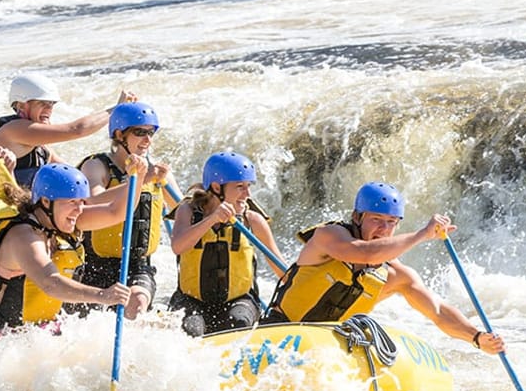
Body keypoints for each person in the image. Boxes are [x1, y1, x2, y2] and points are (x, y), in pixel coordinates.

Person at [263, 181, 505, 355]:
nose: (383, 229)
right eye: (376, 220)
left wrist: (476, 338)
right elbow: (364, 254)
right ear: (357, 217)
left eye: (391, 223)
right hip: (278, 331)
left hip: (326, 350)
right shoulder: (329, 236)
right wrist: (422, 234)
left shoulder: (395, 275)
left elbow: (438, 311)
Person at [0, 72, 135, 287]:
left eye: (51, 105)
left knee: (78, 210)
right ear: (22, 105)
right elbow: (76, 129)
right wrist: (115, 110)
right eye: (42, 104)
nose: (49, 110)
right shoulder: (12, 130)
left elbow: (81, 190)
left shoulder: (42, 149)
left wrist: (136, 182)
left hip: (18, 222)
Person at [0, 161, 150, 342]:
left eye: (81, 201)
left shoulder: (60, 220)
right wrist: (102, 295)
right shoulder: (23, 236)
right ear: (46, 201)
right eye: (72, 201)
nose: (79, 209)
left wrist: (139, 176)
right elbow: (50, 283)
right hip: (2, 340)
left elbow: (116, 212)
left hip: (41, 334)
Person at [72, 102, 181, 320]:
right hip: (94, 266)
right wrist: (139, 181)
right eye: (140, 132)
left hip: (138, 265)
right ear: (120, 134)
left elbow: (184, 212)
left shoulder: (157, 173)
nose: (147, 140)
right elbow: (91, 201)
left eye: (151, 133)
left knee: (137, 302)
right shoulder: (97, 166)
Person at [168, 151, 287, 336]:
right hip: (191, 300)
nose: (247, 194)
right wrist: (211, 220)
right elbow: (178, 246)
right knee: (191, 330)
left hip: (239, 301)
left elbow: (282, 272)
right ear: (216, 187)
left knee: (238, 323)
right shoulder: (188, 211)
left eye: (248, 186)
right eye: (240, 186)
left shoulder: (252, 220)